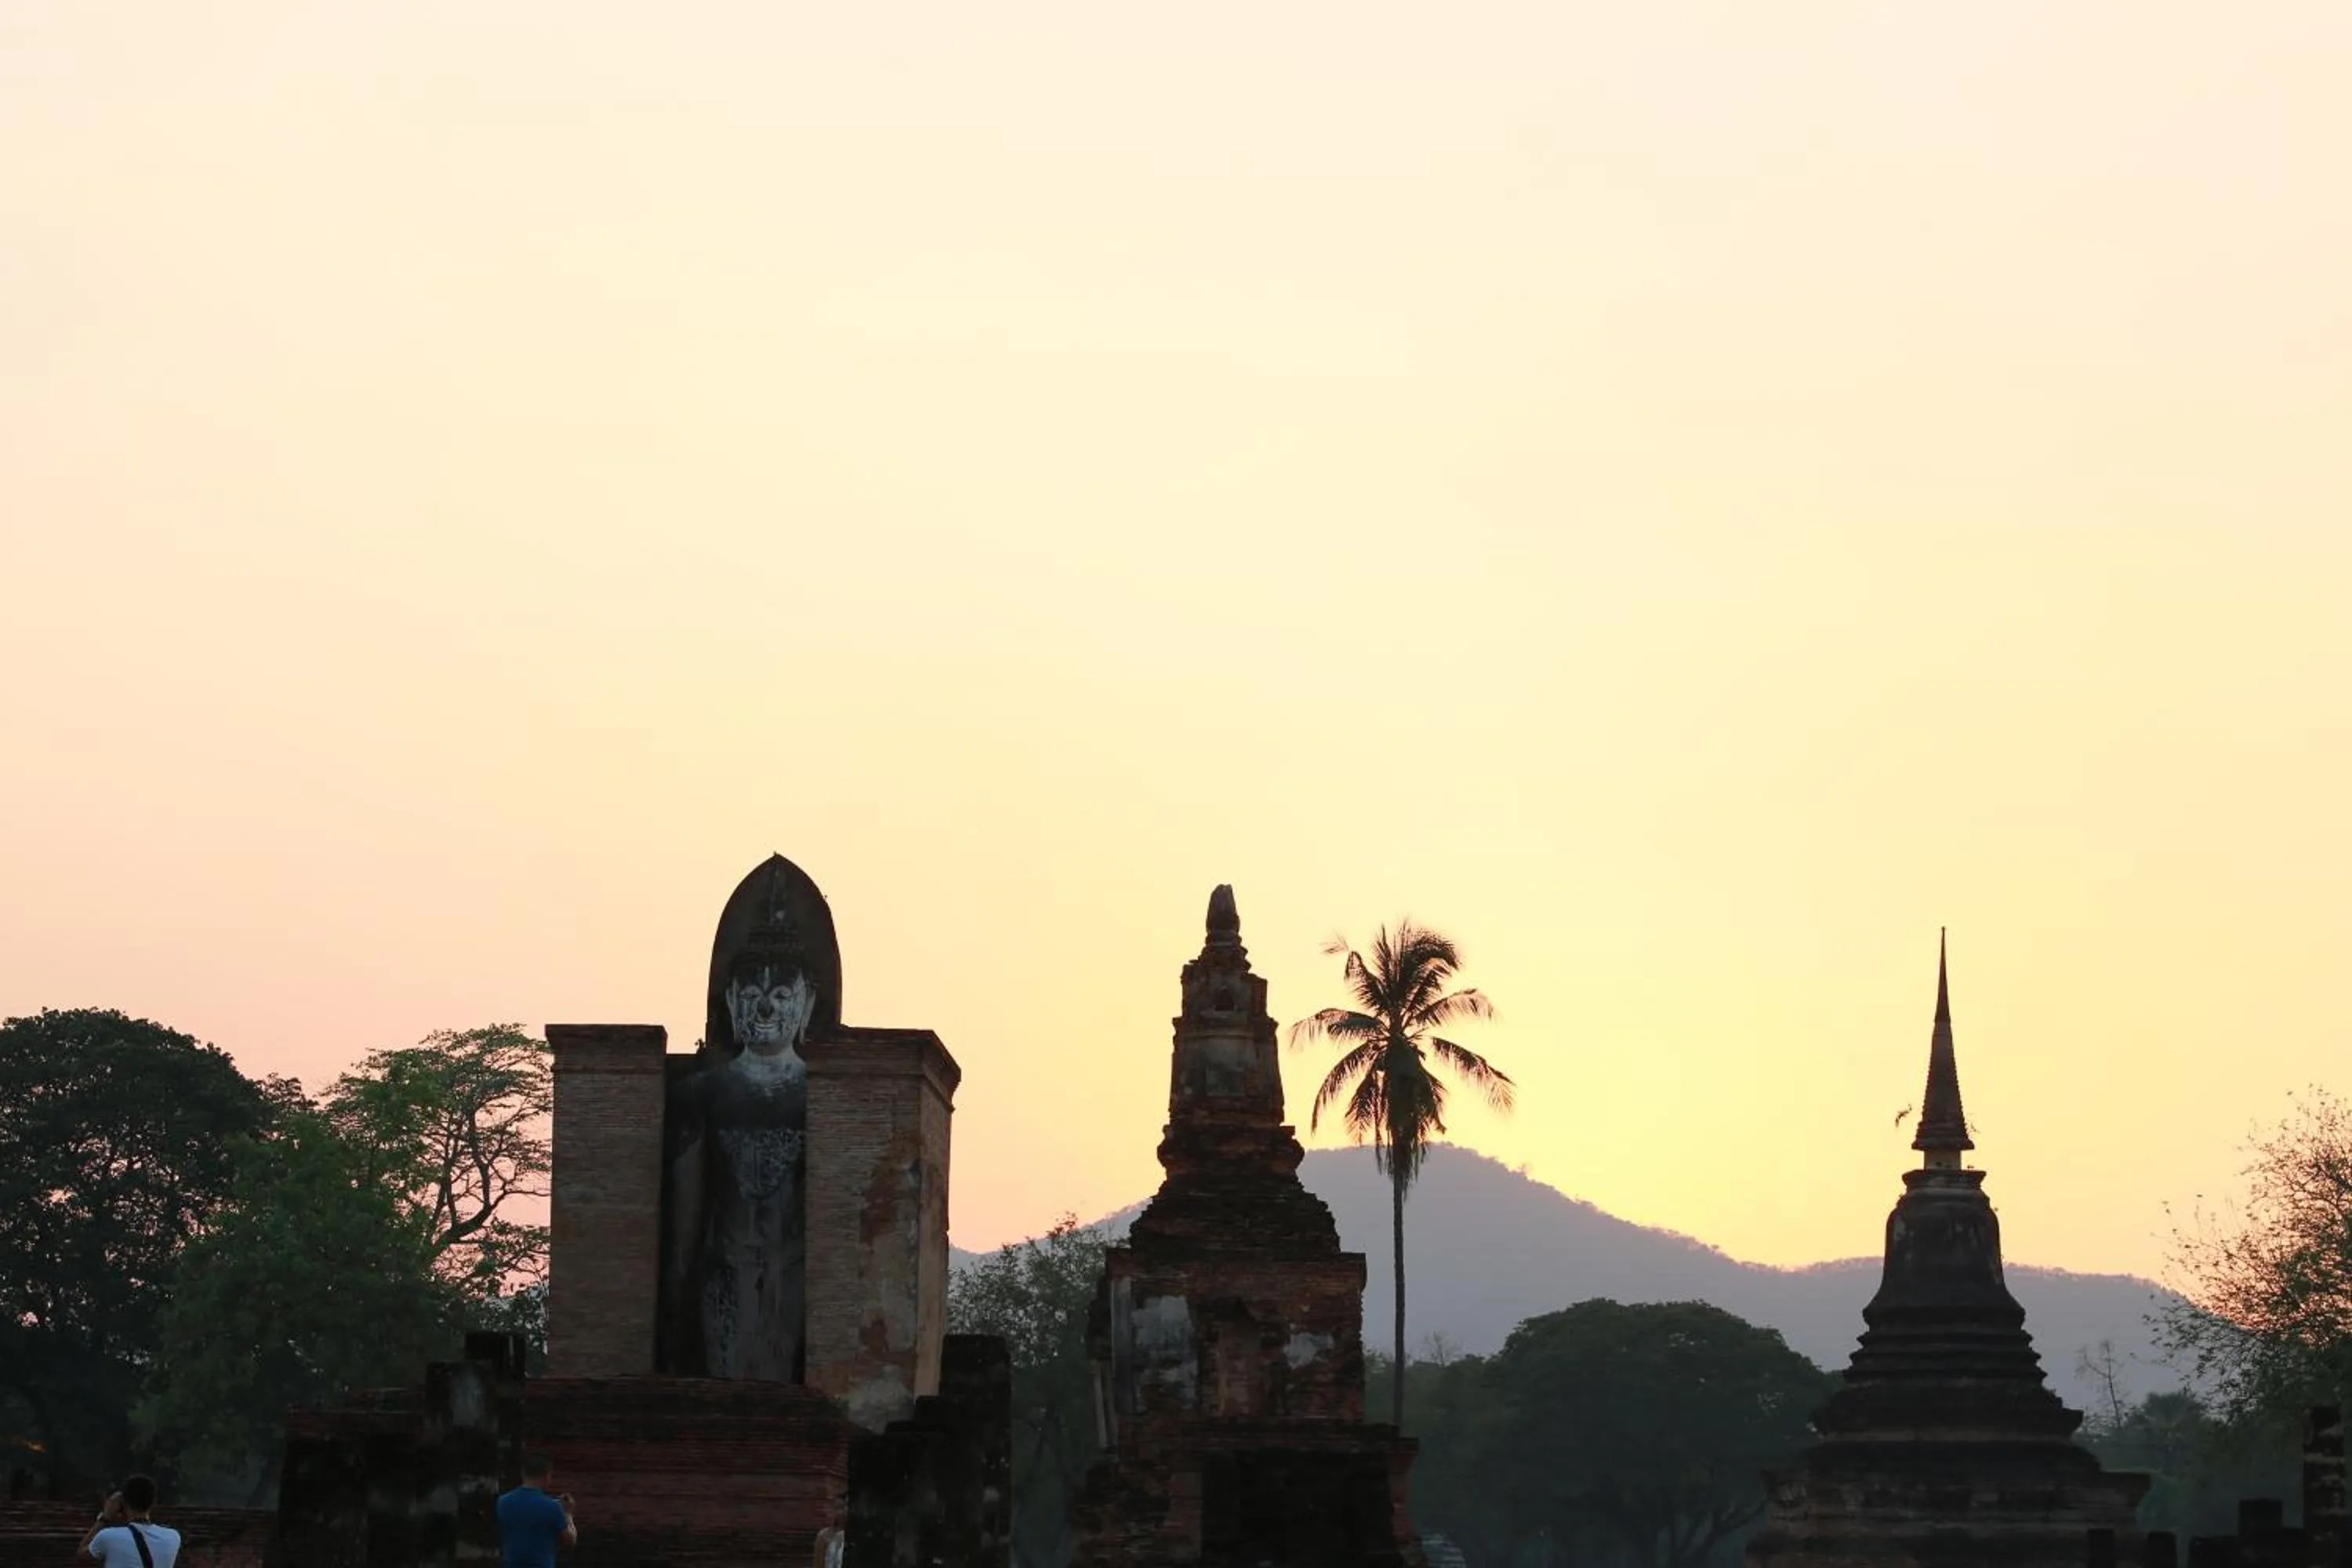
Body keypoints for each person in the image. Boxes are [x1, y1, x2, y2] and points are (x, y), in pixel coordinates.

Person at [80, 1475, 180, 1568]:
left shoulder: (108, 1536)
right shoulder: (173, 1537)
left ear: (123, 1502)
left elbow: (81, 1557)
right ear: (154, 1502)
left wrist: (105, 1517)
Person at [495, 1453, 577, 1567]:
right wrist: (568, 1514)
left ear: (523, 1473)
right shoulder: (552, 1507)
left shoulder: (503, 1502)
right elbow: (570, 1540)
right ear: (547, 1477)